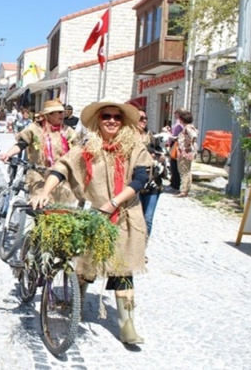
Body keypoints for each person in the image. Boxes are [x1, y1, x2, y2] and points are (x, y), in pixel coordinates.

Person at [29, 100, 152, 345]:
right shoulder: (88, 147)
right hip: (96, 216)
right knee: (86, 265)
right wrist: (44, 191)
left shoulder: (135, 147)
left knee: (123, 268)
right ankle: (77, 302)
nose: (112, 121)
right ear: (98, 119)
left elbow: (140, 180)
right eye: (107, 116)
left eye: (118, 117)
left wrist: (113, 203)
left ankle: (127, 325)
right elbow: (61, 168)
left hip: (127, 217)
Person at [0, 99, 76, 203]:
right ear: (48, 115)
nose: (62, 115)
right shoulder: (35, 128)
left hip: (61, 175)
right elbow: (22, 144)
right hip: (39, 174)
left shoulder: (68, 130)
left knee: (61, 208)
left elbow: (78, 148)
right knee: (41, 205)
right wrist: (8, 154)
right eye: (59, 112)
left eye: (63, 112)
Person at [137, 108, 166, 237]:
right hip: (134, 183)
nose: (144, 121)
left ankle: (143, 249)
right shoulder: (127, 138)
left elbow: (164, 154)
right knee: (135, 218)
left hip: (152, 183)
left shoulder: (153, 137)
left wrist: (160, 157)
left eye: (145, 118)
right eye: (140, 118)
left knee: (148, 219)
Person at [175, 111, 198, 197]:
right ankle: (186, 189)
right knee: (187, 171)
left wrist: (188, 144)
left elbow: (193, 136)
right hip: (188, 152)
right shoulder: (191, 127)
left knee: (183, 172)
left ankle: (183, 190)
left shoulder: (187, 128)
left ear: (182, 120)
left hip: (185, 152)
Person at [167, 108, 186, 192]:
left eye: (175, 113)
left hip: (176, 145)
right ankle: (173, 183)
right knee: (174, 165)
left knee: (174, 165)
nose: (174, 114)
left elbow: (176, 136)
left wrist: (167, 133)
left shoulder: (179, 124)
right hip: (175, 144)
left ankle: (175, 185)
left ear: (178, 114)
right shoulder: (180, 124)